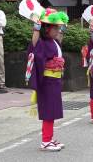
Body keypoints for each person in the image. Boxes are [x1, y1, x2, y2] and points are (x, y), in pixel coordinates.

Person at [28, 8, 68, 151]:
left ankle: (49, 138)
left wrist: (63, 27)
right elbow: (34, 50)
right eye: (55, 27)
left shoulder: (53, 41)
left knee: (52, 110)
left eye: (58, 27)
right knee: (48, 111)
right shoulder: (42, 43)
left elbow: (59, 42)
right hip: (47, 81)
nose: (57, 29)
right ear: (47, 28)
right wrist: (36, 30)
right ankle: (45, 140)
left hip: (55, 80)